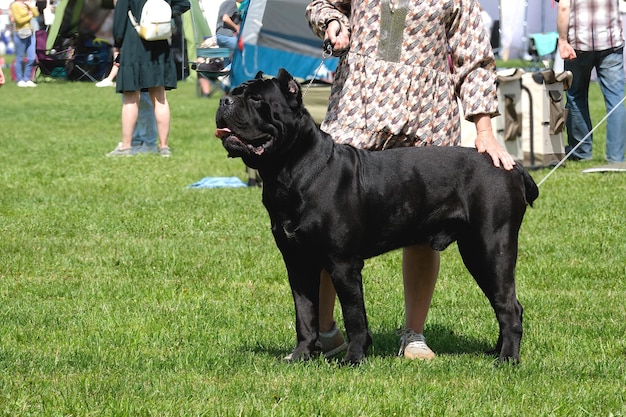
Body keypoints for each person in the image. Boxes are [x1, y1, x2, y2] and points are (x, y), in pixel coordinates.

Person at [305, 0, 515, 360]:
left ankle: (414, 335)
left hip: (426, 112)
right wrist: (332, 22)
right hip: (358, 104)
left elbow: (474, 52)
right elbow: (320, 5)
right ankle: (325, 334)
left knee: (425, 228)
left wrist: (483, 128)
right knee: (329, 226)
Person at [107, 0, 190, 157]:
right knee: (160, 98)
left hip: (134, 41)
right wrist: (165, 14)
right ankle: (164, 147)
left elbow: (119, 19)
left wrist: (118, 44)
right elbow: (184, 3)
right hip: (159, 41)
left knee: (131, 97)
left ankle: (126, 147)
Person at [557, 0, 626, 163]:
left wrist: (562, 40)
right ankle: (616, 157)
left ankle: (582, 152)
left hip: (579, 44)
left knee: (575, 96)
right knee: (615, 100)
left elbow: (564, 6)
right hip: (611, 43)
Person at [10, 0, 39, 87]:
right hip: (20, 33)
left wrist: (31, 7)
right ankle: (19, 79)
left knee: (31, 58)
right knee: (20, 57)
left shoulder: (27, 5)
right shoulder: (15, 5)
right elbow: (18, 20)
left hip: (30, 33)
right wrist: (29, 16)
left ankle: (27, 79)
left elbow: (36, 14)